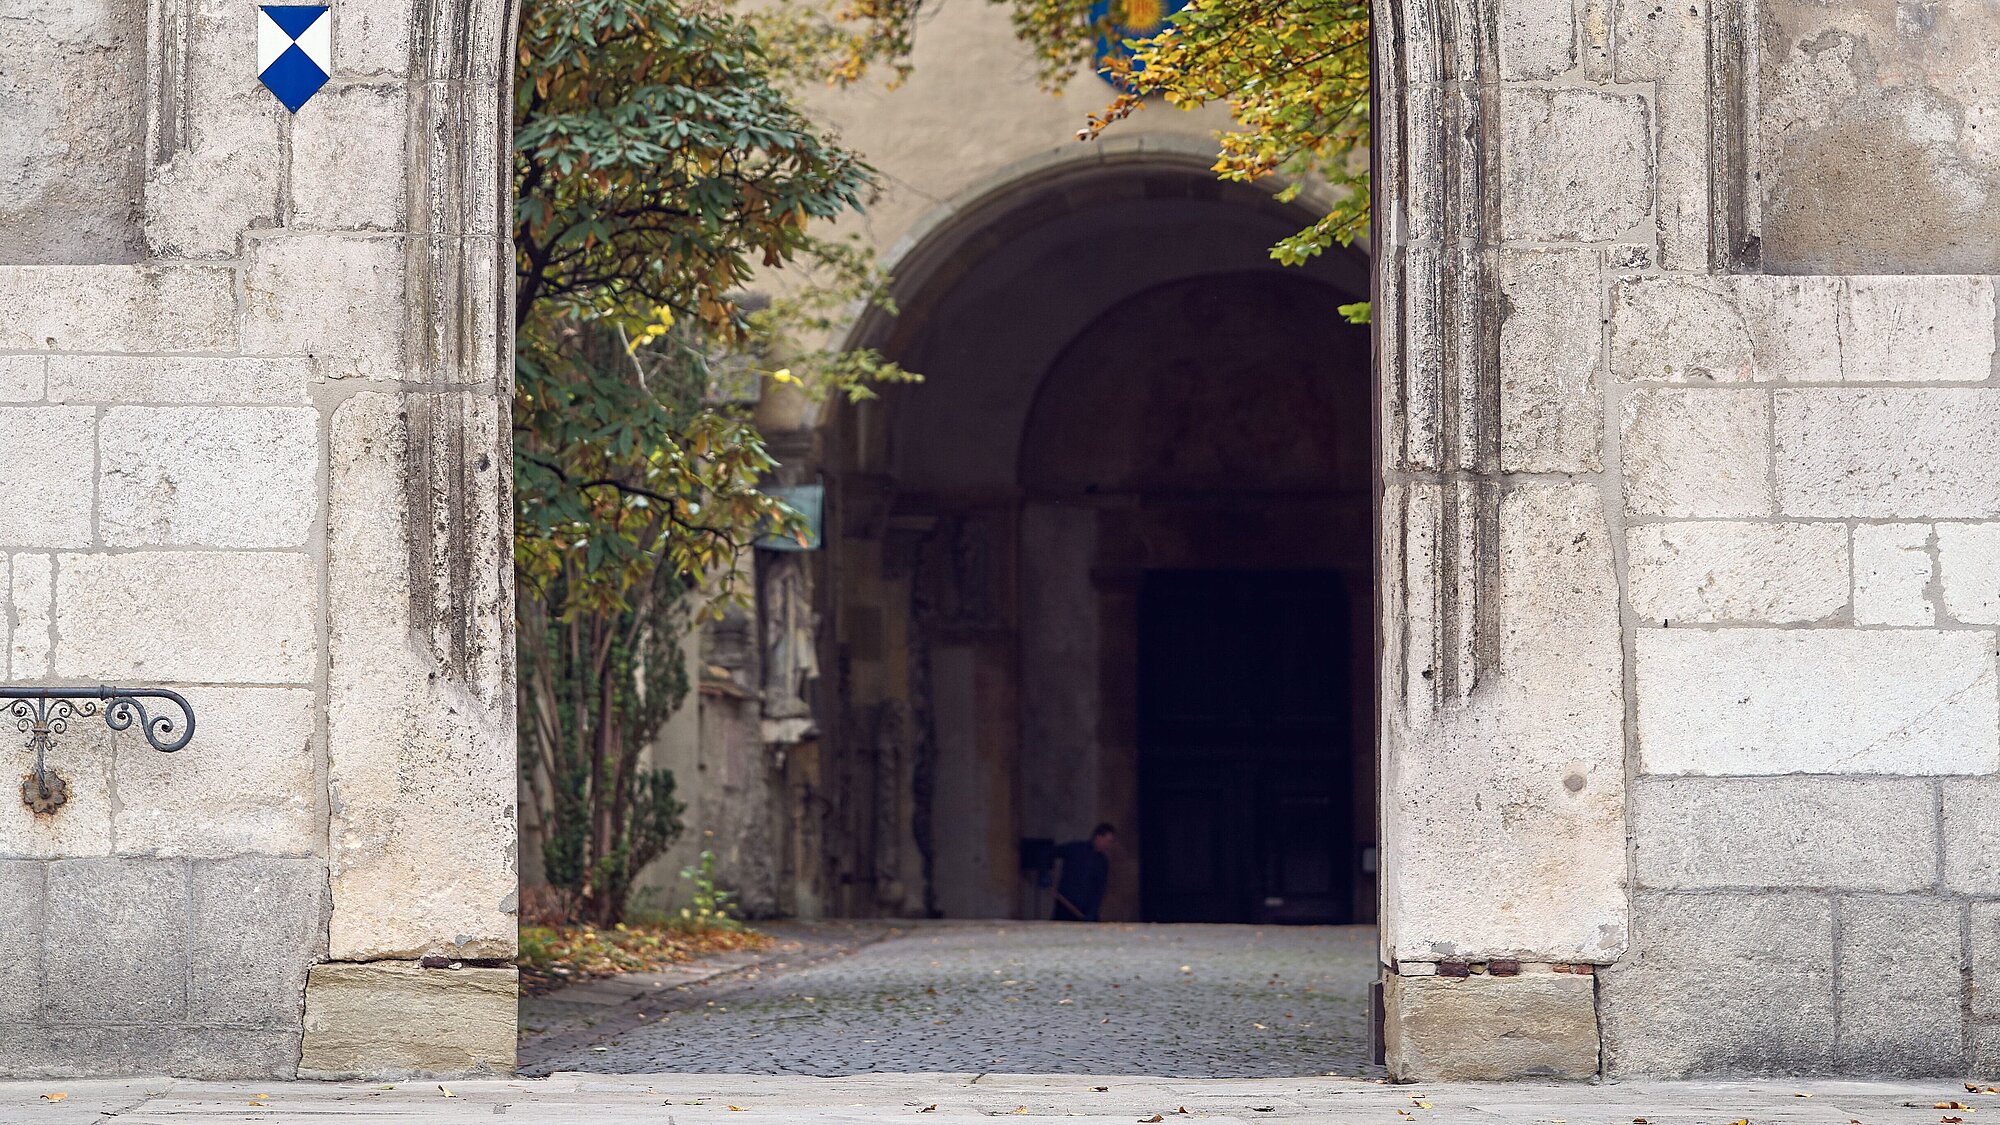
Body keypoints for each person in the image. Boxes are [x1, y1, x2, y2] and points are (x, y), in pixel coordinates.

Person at [1050, 823, 1117, 921]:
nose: (1109, 845)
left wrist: (1092, 912)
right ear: (1098, 837)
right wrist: (1043, 873)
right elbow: (1047, 853)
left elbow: (1100, 890)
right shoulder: (1075, 849)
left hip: (1084, 912)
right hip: (1064, 908)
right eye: (1108, 841)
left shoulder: (1103, 862)